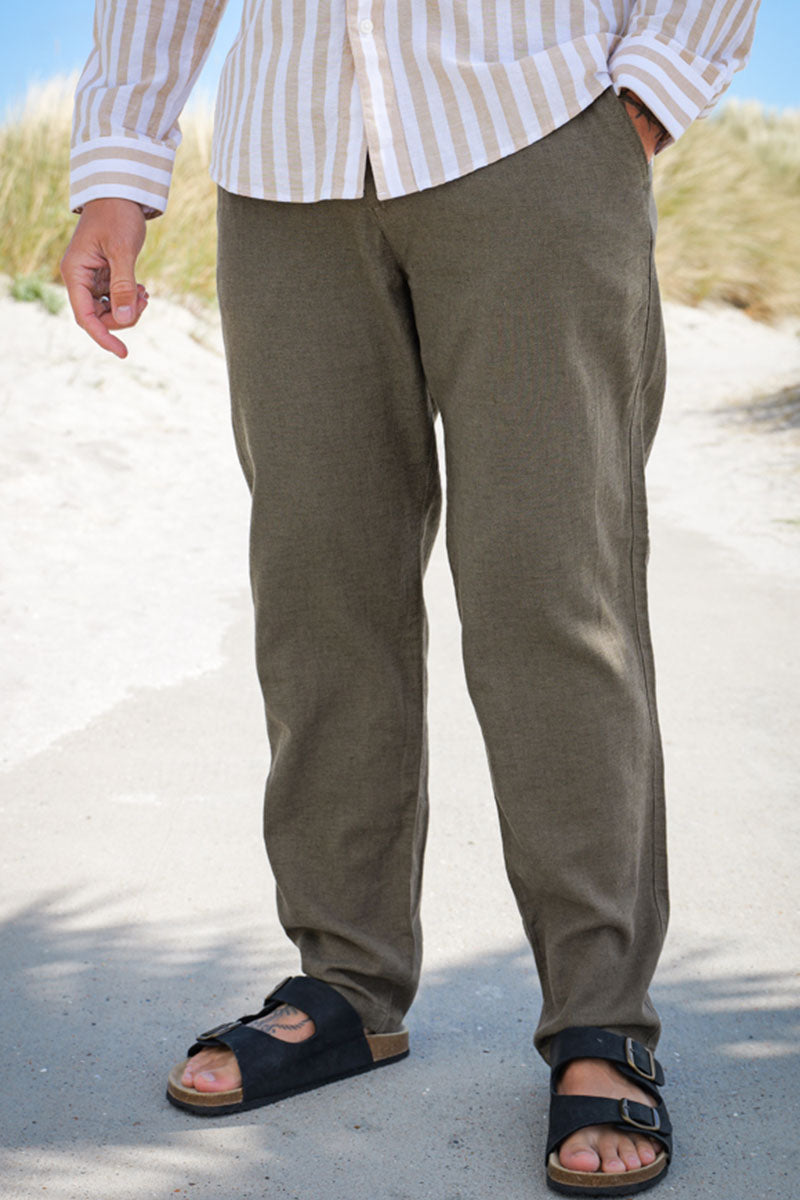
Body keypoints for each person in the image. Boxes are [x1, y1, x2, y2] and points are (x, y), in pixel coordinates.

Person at [61, 2, 758, 1194]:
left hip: (531, 126)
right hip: (286, 168)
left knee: (550, 591)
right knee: (316, 590)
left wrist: (647, 91)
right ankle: (345, 985)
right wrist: (118, 167)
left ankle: (599, 1017)